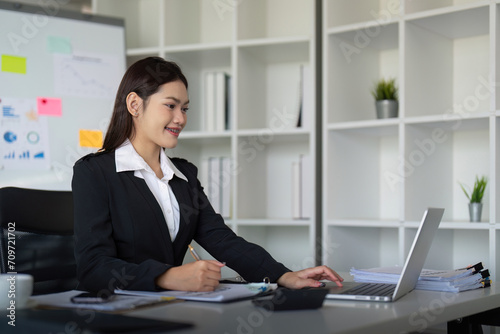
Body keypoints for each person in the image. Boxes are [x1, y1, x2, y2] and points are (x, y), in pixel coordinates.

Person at [72, 56, 343, 293]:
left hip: (169, 308)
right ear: (134, 105)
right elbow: (94, 267)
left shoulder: (184, 176)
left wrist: (283, 275)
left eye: (185, 108)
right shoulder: (94, 173)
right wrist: (167, 276)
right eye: (171, 105)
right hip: (114, 314)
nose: (181, 118)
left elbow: (222, 240)